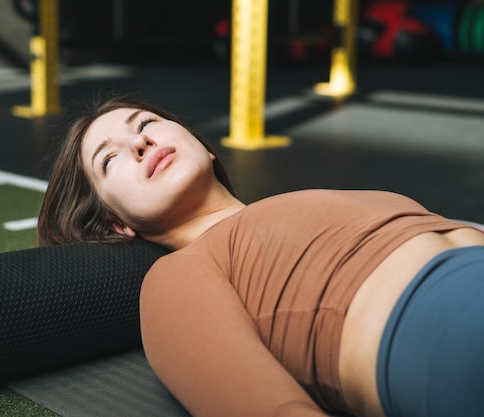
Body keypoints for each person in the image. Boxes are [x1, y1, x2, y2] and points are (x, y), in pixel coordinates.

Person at [36, 96, 484, 417]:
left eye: (146, 124)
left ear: (204, 146)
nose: (139, 143)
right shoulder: (180, 273)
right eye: (109, 160)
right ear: (117, 224)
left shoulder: (309, 201)